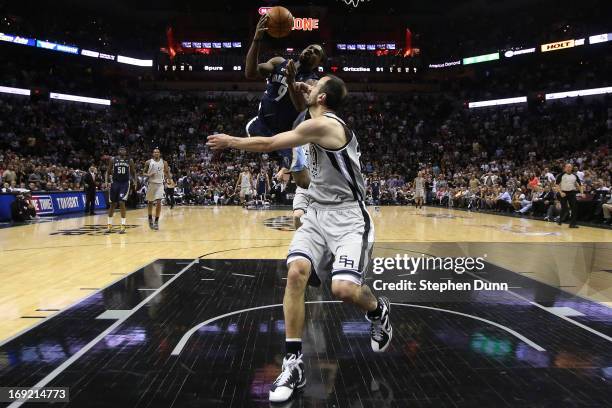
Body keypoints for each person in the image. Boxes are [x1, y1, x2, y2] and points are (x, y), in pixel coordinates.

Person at [208, 75, 392, 403]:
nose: (310, 87)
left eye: (315, 85)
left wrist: (230, 141)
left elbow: (268, 143)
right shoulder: (312, 122)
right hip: (317, 213)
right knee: (295, 274)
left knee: (344, 290)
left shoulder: (325, 126)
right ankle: (293, 363)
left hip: (349, 218)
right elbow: (307, 176)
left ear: (323, 99)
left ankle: (378, 310)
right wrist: (297, 86)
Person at [245, 12, 324, 175]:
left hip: (285, 135)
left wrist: (291, 82)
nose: (311, 51)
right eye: (310, 48)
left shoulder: (312, 81)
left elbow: (301, 107)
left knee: (294, 175)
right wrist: (256, 39)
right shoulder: (279, 62)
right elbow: (250, 73)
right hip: (261, 125)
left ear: (318, 63)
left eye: (316, 52)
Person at [105, 147, 136, 234]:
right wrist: (106, 181)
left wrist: (135, 182)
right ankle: (109, 226)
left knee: (122, 202)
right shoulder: (113, 159)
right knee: (112, 204)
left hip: (125, 183)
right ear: (118, 151)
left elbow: (133, 172)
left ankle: (123, 226)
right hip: (115, 183)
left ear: (126, 152)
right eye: (120, 150)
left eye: (124, 150)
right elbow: (107, 171)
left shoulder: (130, 160)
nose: (122, 151)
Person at [145, 148, 170, 230]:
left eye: (157, 152)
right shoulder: (148, 162)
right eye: (155, 152)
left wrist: (169, 179)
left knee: (159, 202)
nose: (156, 153)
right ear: (153, 153)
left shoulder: (164, 162)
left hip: (160, 184)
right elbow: (143, 172)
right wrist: (148, 175)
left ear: (160, 154)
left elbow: (166, 172)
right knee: (150, 202)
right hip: (151, 183)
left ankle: (156, 221)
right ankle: (149, 218)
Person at [555, 163, 583, 228]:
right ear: (565, 168)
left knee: (574, 208)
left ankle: (572, 224)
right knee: (565, 208)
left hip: (572, 193)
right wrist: (560, 192)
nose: (568, 168)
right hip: (563, 193)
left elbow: (580, 185)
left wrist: (582, 193)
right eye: (567, 167)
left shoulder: (575, 176)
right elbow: (557, 185)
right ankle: (560, 219)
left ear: (572, 168)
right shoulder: (561, 175)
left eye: (570, 167)